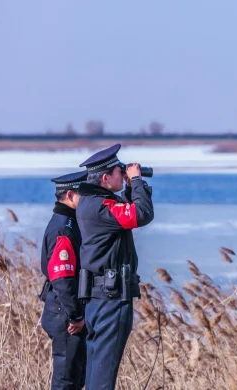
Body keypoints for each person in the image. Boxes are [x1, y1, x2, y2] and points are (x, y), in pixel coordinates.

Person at [75, 143, 154, 389]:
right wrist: (138, 181)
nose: (124, 175)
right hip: (110, 299)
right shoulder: (102, 207)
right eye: (120, 172)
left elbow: (125, 216)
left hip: (97, 297)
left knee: (96, 365)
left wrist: (131, 189)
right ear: (106, 178)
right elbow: (141, 215)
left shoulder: (90, 203)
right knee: (104, 371)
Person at [39, 170, 88, 390]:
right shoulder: (64, 229)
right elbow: (62, 278)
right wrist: (75, 316)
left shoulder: (67, 221)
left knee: (75, 378)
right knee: (66, 381)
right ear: (70, 195)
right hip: (65, 315)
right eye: (84, 195)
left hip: (62, 311)